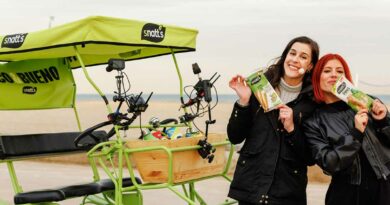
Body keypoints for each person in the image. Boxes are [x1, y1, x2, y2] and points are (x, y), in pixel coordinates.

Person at [227, 36, 319, 205]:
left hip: (287, 192)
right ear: (285, 57)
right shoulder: (260, 87)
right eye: (292, 53)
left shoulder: (312, 102)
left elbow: (310, 157)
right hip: (252, 187)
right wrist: (244, 102)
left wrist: (292, 128)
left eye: (303, 57)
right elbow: (235, 137)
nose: (295, 60)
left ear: (310, 66)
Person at [303, 53, 390, 205]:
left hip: (384, 187)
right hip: (347, 194)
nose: (334, 75)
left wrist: (383, 121)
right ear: (317, 77)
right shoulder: (313, 121)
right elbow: (329, 163)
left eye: (339, 71)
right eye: (327, 70)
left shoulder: (367, 102)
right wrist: (355, 134)